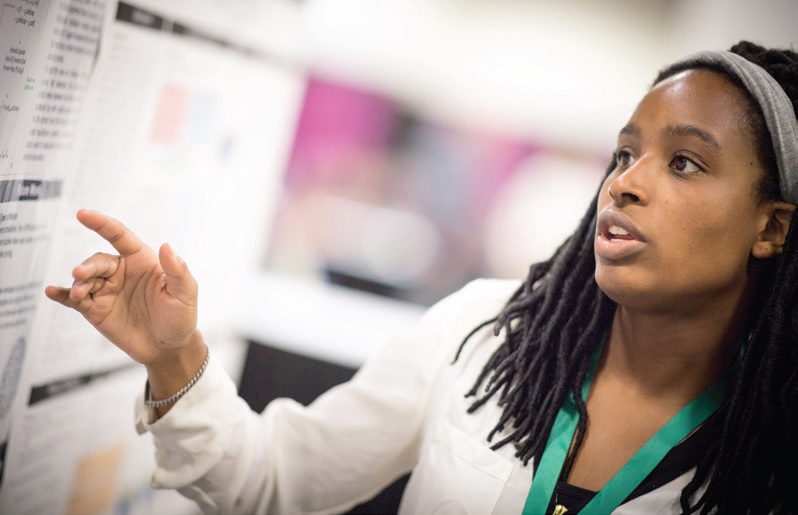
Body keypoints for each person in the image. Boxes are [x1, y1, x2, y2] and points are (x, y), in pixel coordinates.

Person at [45, 40, 798, 514]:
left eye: (685, 162)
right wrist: (173, 355)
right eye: (625, 154)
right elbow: (272, 482)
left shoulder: (771, 462)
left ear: (771, 227)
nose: (626, 183)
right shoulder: (487, 333)